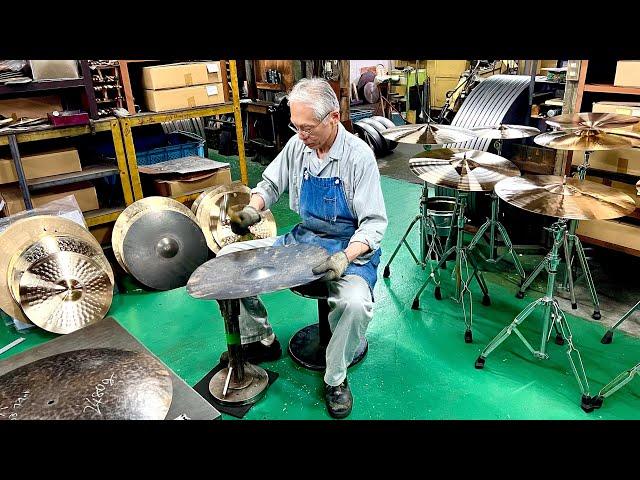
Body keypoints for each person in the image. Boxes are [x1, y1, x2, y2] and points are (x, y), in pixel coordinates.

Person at [219, 77, 388, 419]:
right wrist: (254, 207)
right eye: (295, 126)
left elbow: (374, 223)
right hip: (303, 240)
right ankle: (261, 339)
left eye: (308, 127)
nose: (301, 135)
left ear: (334, 118)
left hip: (347, 248)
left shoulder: (359, 158)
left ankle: (335, 378)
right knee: (228, 260)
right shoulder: (300, 145)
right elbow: (270, 183)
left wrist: (345, 257)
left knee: (355, 303)